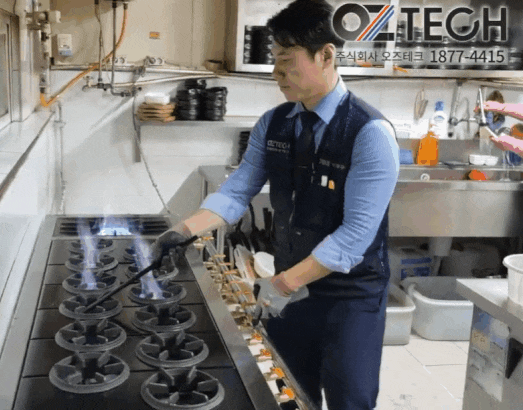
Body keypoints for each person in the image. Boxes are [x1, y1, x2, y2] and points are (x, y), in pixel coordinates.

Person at [150, 0, 399, 408]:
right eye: (274, 61)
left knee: (350, 398)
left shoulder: (369, 133)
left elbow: (355, 235)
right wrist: (182, 231)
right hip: (291, 284)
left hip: (349, 296)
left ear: (326, 55)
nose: (276, 73)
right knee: (289, 392)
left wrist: (283, 283)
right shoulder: (275, 123)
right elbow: (236, 191)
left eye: (286, 61)